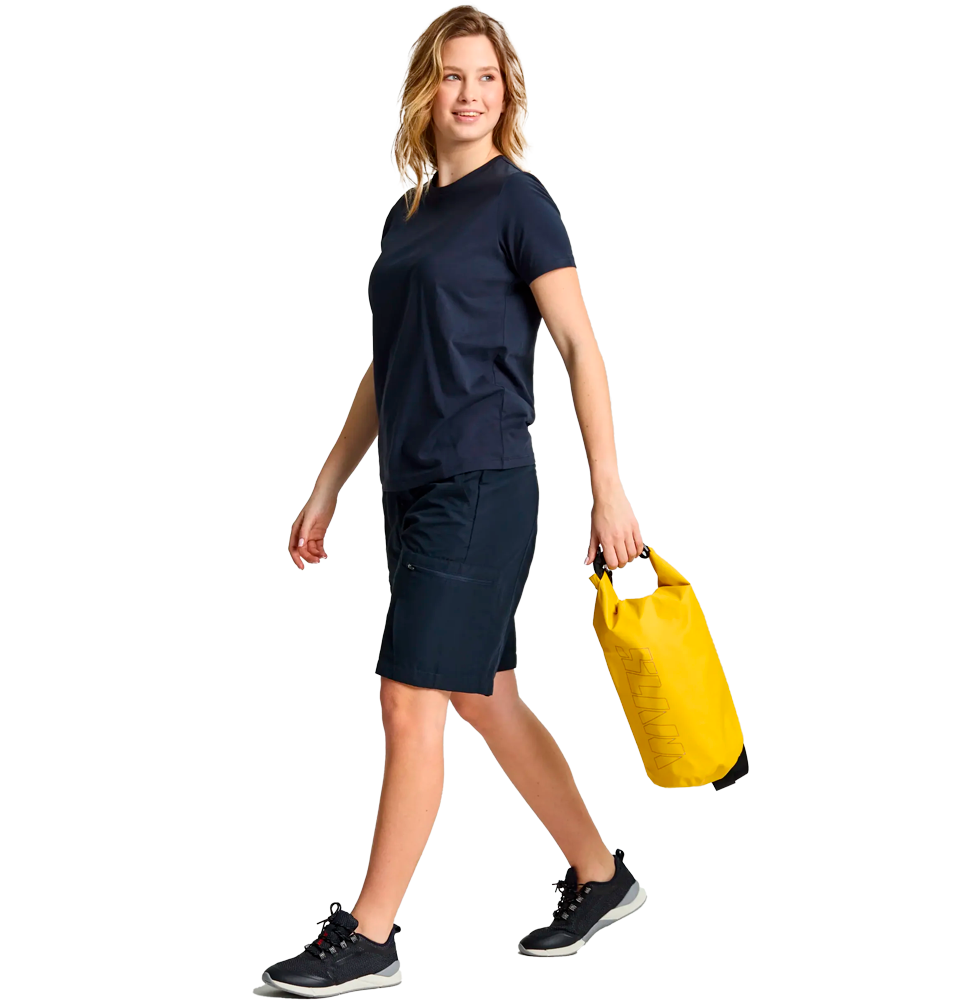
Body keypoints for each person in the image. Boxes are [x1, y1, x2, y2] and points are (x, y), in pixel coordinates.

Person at [262, 7, 647, 996]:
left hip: (484, 483)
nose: (469, 93)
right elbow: (386, 366)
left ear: (506, 91)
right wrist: (329, 481)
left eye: (486, 76)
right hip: (413, 488)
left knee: (407, 696)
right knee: (485, 693)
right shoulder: (406, 217)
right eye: (451, 75)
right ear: (424, 92)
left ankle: (370, 934)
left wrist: (607, 489)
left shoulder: (521, 202)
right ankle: (600, 875)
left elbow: (579, 345)